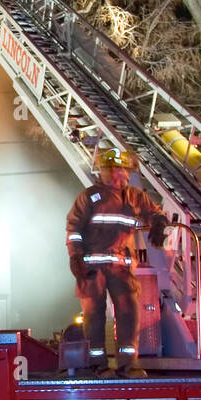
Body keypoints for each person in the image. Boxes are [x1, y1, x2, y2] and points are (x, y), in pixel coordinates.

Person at [66, 147, 169, 378]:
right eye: (114, 169)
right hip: (91, 267)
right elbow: (74, 229)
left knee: (129, 312)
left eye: (122, 169)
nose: (119, 174)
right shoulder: (90, 197)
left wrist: (159, 225)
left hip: (121, 267)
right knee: (94, 316)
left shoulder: (134, 196)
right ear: (103, 171)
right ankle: (98, 365)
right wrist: (75, 256)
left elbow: (155, 212)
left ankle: (128, 365)